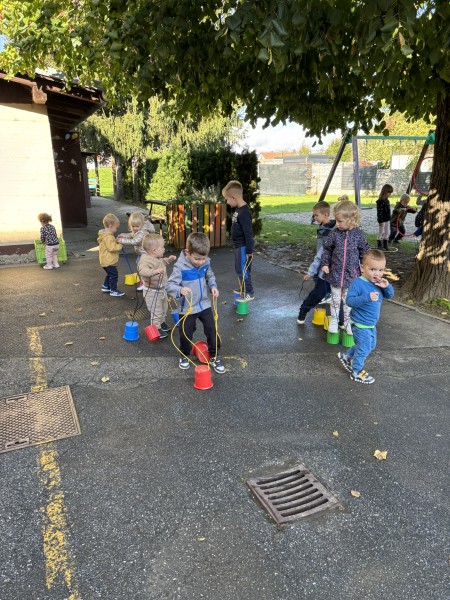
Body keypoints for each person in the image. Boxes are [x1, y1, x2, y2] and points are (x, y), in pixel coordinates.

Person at [166, 232, 225, 373]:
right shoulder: (180, 267)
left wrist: (213, 286)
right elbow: (169, 285)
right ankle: (184, 355)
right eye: (197, 258)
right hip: (187, 307)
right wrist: (179, 290)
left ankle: (215, 356)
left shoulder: (206, 262)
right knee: (186, 333)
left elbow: (209, 275)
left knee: (212, 330)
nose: (200, 262)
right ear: (187, 252)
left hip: (204, 304)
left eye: (203, 258)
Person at [338, 249, 394, 384]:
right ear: (362, 268)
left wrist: (386, 286)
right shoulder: (358, 283)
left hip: (370, 324)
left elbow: (389, 295)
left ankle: (347, 356)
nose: (377, 273)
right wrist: (366, 297)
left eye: (381, 270)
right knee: (364, 348)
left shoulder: (378, 284)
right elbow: (349, 301)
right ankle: (356, 371)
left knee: (371, 345)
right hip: (359, 324)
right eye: (373, 269)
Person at [321, 199, 370, 335]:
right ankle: (334, 320)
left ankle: (349, 322)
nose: (337, 224)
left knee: (349, 301)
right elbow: (327, 249)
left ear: (351, 220)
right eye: (336, 220)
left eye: (340, 221)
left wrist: (365, 268)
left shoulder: (358, 235)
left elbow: (365, 252)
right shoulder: (334, 233)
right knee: (335, 299)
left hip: (352, 274)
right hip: (335, 273)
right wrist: (325, 263)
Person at [297, 201, 336, 324]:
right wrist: (312, 271)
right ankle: (304, 310)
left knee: (342, 299)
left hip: (338, 273)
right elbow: (320, 255)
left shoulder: (342, 233)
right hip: (324, 270)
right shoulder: (328, 233)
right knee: (318, 293)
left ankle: (341, 322)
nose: (314, 217)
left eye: (316, 215)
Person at [138, 233, 176, 339]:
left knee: (164, 309)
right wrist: (154, 272)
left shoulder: (157, 258)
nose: (164, 249)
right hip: (152, 292)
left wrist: (168, 259)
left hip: (161, 290)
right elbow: (142, 271)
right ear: (154, 250)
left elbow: (162, 262)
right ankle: (156, 328)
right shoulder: (146, 260)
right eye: (162, 247)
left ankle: (161, 322)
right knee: (156, 311)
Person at [222, 180, 255, 300]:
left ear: (234, 198)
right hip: (238, 246)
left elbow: (248, 233)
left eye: (227, 199)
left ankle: (249, 292)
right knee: (239, 269)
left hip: (243, 247)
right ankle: (243, 288)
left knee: (242, 269)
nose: (227, 202)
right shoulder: (239, 209)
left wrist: (249, 251)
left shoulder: (244, 212)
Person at [117, 212, 155, 291]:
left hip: (145, 254)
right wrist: (123, 235)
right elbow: (132, 235)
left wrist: (122, 240)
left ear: (142, 224)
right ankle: (145, 281)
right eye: (133, 226)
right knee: (140, 266)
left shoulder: (142, 232)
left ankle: (145, 283)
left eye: (137, 226)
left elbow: (135, 241)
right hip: (142, 254)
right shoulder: (138, 230)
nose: (134, 228)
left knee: (142, 268)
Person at [97, 213, 125, 297]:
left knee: (110, 274)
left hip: (105, 260)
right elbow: (112, 248)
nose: (116, 229)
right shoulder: (108, 237)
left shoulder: (105, 235)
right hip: (109, 261)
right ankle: (113, 290)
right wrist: (120, 245)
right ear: (110, 226)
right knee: (114, 275)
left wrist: (115, 241)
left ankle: (106, 286)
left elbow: (109, 244)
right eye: (116, 228)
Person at [376, 184, 393, 251]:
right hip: (382, 220)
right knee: (381, 232)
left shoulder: (387, 200)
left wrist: (389, 218)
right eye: (389, 192)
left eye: (390, 193)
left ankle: (385, 244)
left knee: (387, 231)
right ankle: (379, 244)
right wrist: (380, 221)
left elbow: (388, 211)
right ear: (385, 192)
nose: (390, 194)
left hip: (387, 219)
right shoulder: (380, 201)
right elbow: (379, 212)